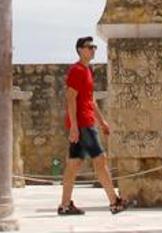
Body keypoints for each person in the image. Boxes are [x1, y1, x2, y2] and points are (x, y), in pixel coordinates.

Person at [57, 36, 130, 216]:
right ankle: (114, 201)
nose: (93, 50)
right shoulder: (76, 70)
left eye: (94, 47)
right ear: (80, 49)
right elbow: (70, 98)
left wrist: (102, 120)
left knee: (74, 164)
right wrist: (74, 126)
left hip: (86, 121)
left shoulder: (87, 70)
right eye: (90, 47)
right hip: (83, 124)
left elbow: (90, 100)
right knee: (100, 160)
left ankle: (65, 205)